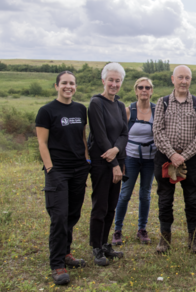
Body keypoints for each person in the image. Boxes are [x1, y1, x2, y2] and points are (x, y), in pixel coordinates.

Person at [36, 71, 91, 285]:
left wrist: (86, 161)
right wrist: (50, 168)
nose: (69, 86)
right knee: (58, 216)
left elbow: (82, 137)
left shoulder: (80, 109)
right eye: (64, 83)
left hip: (79, 169)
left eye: (72, 83)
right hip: (58, 170)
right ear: (56, 86)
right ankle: (57, 264)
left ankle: (67, 253)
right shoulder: (46, 111)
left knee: (72, 214)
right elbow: (42, 143)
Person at [153, 65, 196, 254]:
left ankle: (194, 238)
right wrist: (172, 154)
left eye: (187, 78)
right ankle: (164, 238)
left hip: (189, 158)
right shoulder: (163, 102)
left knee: (192, 197)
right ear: (172, 79)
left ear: (190, 80)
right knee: (165, 197)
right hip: (165, 157)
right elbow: (157, 131)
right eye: (180, 77)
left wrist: (183, 156)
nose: (184, 81)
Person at [88, 62, 128, 266]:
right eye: (110, 80)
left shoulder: (120, 105)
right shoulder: (96, 103)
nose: (114, 84)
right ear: (104, 81)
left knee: (112, 205)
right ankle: (96, 246)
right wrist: (112, 158)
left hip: (117, 161)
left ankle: (105, 244)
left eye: (117, 80)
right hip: (101, 162)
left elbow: (124, 133)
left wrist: (117, 151)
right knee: (100, 204)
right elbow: (100, 135)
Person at [112, 77, 157, 245]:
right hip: (130, 158)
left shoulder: (157, 110)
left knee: (145, 195)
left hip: (150, 159)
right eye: (140, 87)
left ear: (151, 91)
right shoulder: (128, 110)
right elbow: (120, 136)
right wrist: (119, 160)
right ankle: (117, 230)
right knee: (125, 194)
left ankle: (142, 229)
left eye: (147, 87)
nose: (144, 90)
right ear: (136, 90)